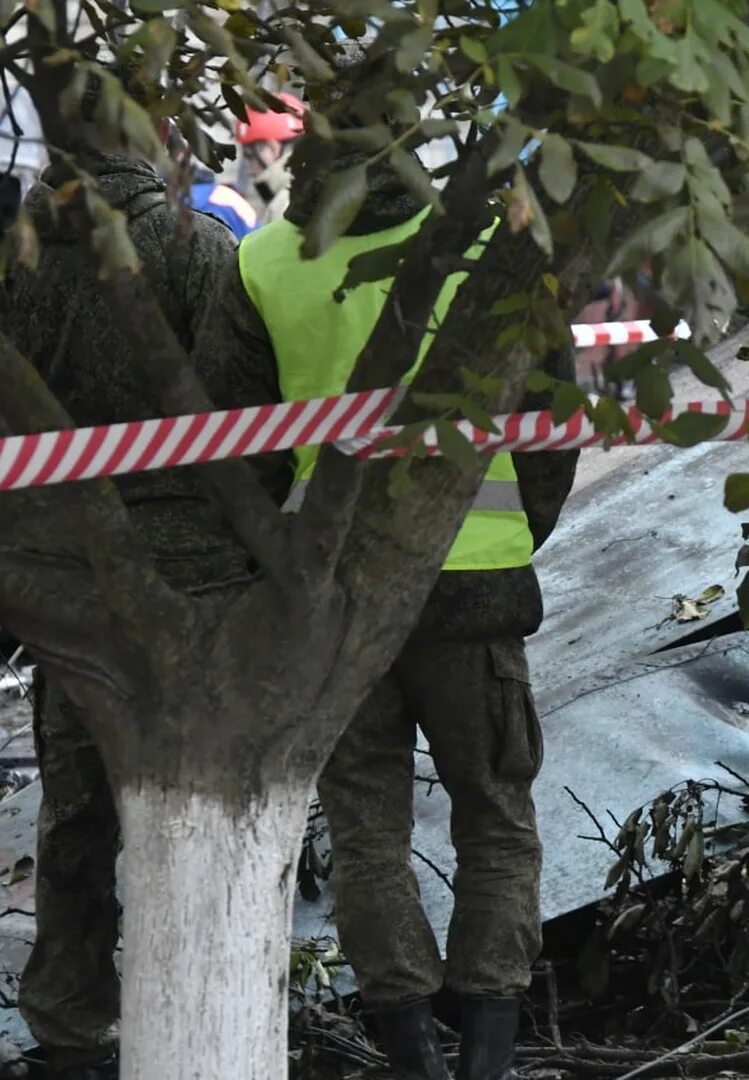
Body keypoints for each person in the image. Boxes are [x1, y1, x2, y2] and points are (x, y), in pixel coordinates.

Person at [197, 71, 578, 1080]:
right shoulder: (491, 249)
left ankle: (410, 1053)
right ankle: (487, 1053)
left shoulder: (266, 263)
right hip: (475, 586)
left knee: (367, 828)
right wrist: (513, 533)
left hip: (336, 596)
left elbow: (247, 450)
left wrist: (287, 566)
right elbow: (550, 425)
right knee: (496, 815)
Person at [0, 72, 259, 1080]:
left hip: (73, 574)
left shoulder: (18, 263)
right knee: (193, 798)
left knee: (78, 809)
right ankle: (192, 1002)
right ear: (150, 140)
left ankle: (69, 1022)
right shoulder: (198, 250)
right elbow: (250, 410)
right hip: (191, 573)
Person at [235, 92, 304, 226]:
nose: (250, 170)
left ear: (272, 148)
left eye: (250, 157)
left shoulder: (285, 204)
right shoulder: (308, 189)